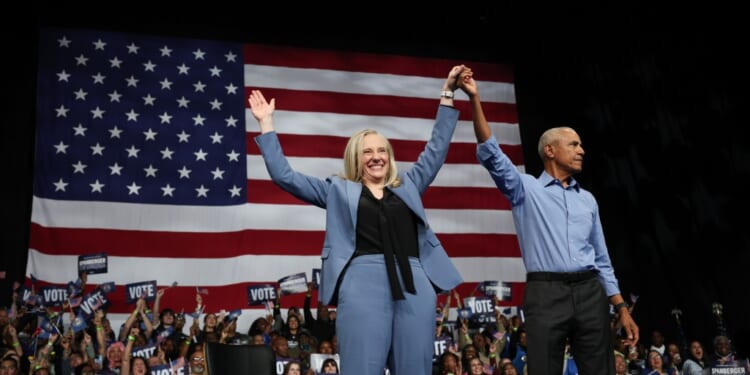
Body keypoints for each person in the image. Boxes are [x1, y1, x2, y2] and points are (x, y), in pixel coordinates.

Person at [248, 64, 469, 375]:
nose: (377, 156)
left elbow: (436, 149)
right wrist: (266, 125)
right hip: (362, 282)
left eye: (382, 150)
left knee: (414, 368)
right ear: (356, 157)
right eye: (368, 151)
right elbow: (285, 176)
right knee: (362, 367)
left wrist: (448, 94)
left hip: (415, 281)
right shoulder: (338, 190)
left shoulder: (409, 184)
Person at [458, 72, 639, 375]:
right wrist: (475, 98)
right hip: (545, 293)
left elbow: (602, 260)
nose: (582, 150)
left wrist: (621, 307)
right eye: (574, 144)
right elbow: (491, 151)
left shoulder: (588, 200)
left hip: (590, 292)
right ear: (550, 151)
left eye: (581, 145)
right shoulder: (525, 189)